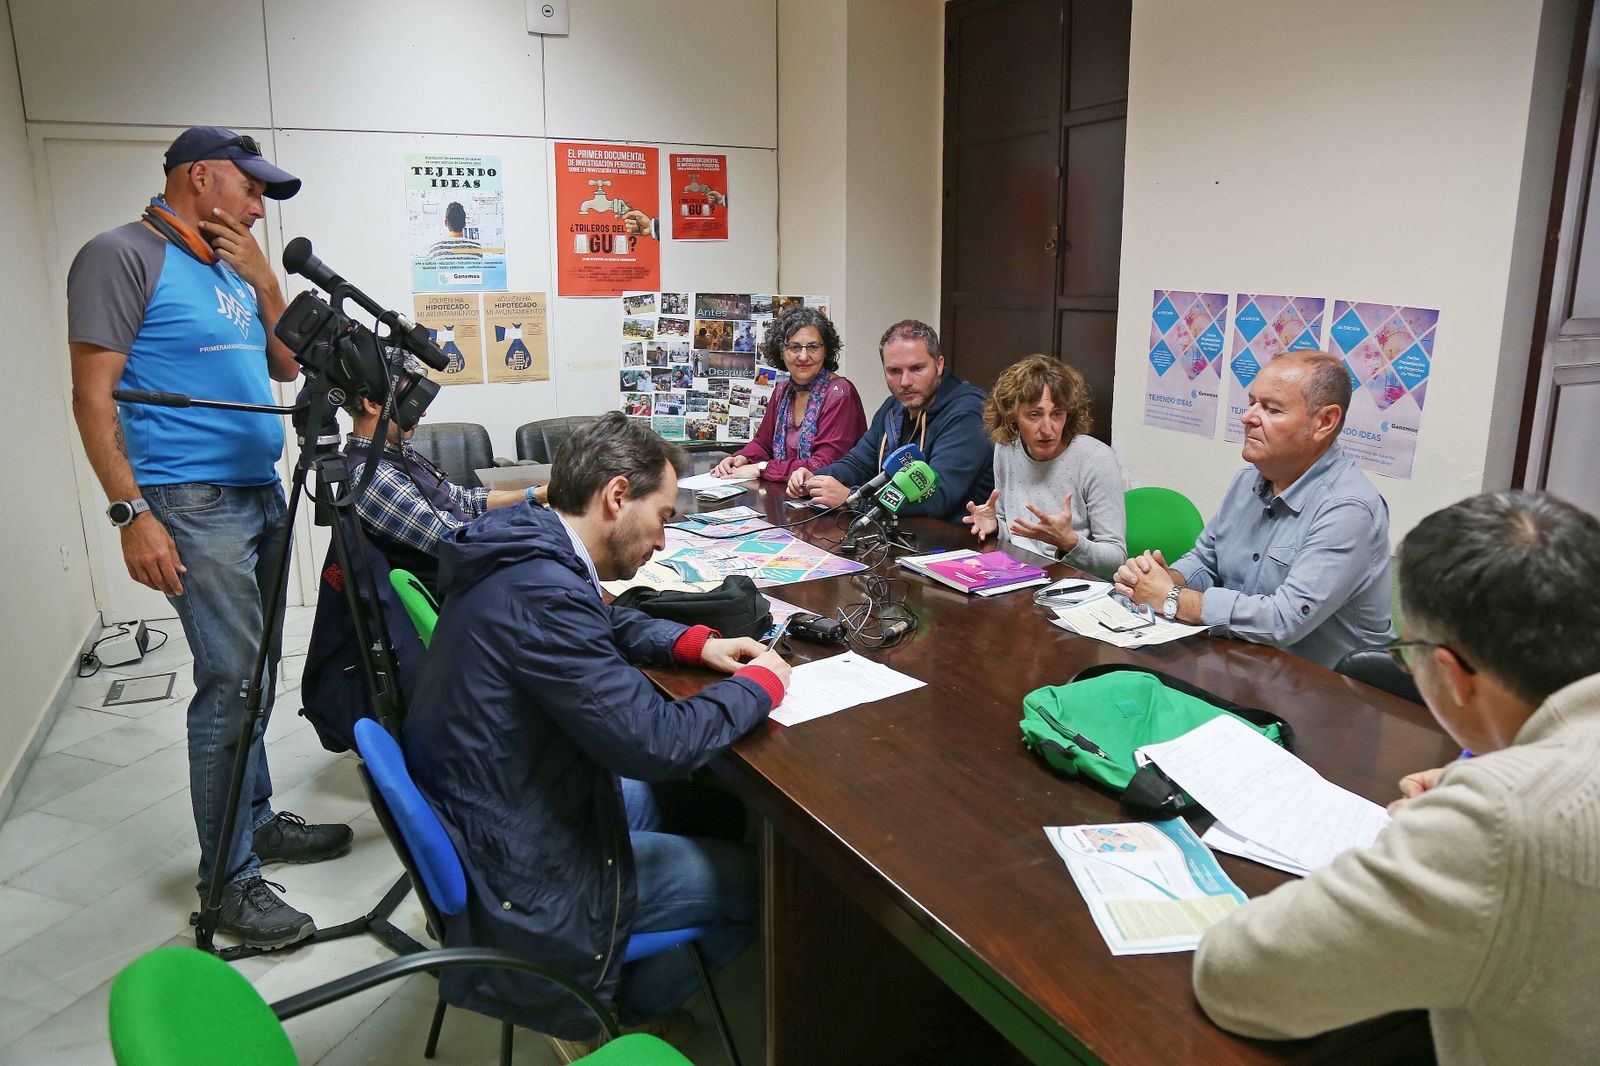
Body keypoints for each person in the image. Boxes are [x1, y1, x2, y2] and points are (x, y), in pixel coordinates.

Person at [403, 412, 790, 1054]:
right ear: (616, 497)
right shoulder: (544, 592)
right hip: (527, 864)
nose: (664, 541)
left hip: (500, 798)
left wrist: (694, 643)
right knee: (759, 881)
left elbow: (599, 622)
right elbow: (654, 743)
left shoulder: (527, 544)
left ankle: (642, 956)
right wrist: (762, 686)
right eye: (663, 515)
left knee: (706, 806)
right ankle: (625, 1013)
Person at [1193, 490, 1600, 1064]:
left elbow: (1235, 976)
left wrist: (1453, 828)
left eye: (1405, 655)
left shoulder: (1497, 823)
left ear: (1450, 675)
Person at [66, 126, 349, 948]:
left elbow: (288, 369)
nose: (259, 208)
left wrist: (264, 280)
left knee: (255, 671)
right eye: (251, 190)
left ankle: (255, 821)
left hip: (257, 489)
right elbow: (92, 397)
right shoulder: (118, 255)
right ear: (200, 177)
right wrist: (131, 514)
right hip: (187, 499)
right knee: (229, 682)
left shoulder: (227, 263)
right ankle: (227, 884)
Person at [1112, 350, 1394, 667]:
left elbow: (1283, 620)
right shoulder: (1248, 481)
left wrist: (1172, 598)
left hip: (1328, 694)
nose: (1248, 418)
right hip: (1243, 664)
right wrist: (1163, 579)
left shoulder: (1348, 508)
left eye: (1272, 409)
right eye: (1251, 403)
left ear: (1324, 422)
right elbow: (1207, 560)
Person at [787, 319, 993, 522]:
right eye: (894, 371)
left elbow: (936, 497)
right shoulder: (894, 407)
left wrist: (852, 498)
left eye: (917, 368)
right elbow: (859, 463)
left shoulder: (968, 413)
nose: (905, 382)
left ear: (939, 365)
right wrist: (815, 479)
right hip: (900, 535)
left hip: (955, 544)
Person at [963, 354, 1125, 575]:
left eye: (1057, 414)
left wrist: (1070, 542)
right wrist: (996, 526)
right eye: (1034, 415)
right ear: (1013, 416)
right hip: (1019, 575)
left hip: (1073, 584)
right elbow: (1014, 529)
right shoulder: (1006, 447)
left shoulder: (1096, 459)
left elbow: (1116, 559)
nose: (1048, 429)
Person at [710, 306, 866, 483]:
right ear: (781, 351)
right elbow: (763, 443)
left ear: (826, 350)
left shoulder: (840, 393)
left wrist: (761, 469)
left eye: (813, 347)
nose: (803, 356)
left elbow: (823, 465)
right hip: (786, 497)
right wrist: (741, 458)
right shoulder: (782, 390)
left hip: (829, 503)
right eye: (794, 347)